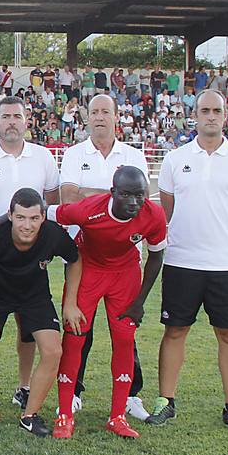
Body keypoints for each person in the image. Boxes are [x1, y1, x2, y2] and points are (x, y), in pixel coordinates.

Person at [151, 90, 228, 433]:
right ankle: (166, 401)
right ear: (194, 116)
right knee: (175, 331)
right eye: (204, 111)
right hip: (183, 260)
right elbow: (166, 211)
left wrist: (223, 237)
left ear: (225, 116)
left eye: (217, 111)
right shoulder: (175, 160)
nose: (211, 116)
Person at [49, 166, 167, 439]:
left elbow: (156, 257)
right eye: (127, 195)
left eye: (141, 196)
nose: (135, 202)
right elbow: (45, 213)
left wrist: (139, 301)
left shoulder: (153, 214)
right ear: (113, 192)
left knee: (124, 340)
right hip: (88, 271)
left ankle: (117, 416)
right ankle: (65, 413)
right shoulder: (87, 210)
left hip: (125, 275)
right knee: (75, 336)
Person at [0, 187, 80, 437]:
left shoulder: (53, 235)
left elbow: (74, 260)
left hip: (34, 296)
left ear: (43, 217)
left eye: (34, 218)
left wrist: (71, 302)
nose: (27, 225)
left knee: (54, 351)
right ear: (10, 215)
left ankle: (29, 415)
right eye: (21, 217)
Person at [57, 93, 152, 421]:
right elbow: (69, 197)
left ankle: (131, 395)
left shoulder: (133, 155)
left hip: (125, 258)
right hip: (83, 256)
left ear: (116, 117)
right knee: (80, 326)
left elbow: (142, 202)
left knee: (125, 328)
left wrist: (94, 198)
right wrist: (115, 198)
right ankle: (75, 392)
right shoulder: (73, 154)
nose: (99, 117)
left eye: (105, 112)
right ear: (87, 118)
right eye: (94, 112)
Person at [0, 95, 60, 414]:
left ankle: (24, 386)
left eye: (16, 116)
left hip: (31, 261)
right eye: (5, 116)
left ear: (26, 120)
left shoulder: (44, 158)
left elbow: (52, 204)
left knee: (28, 326)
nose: (11, 122)